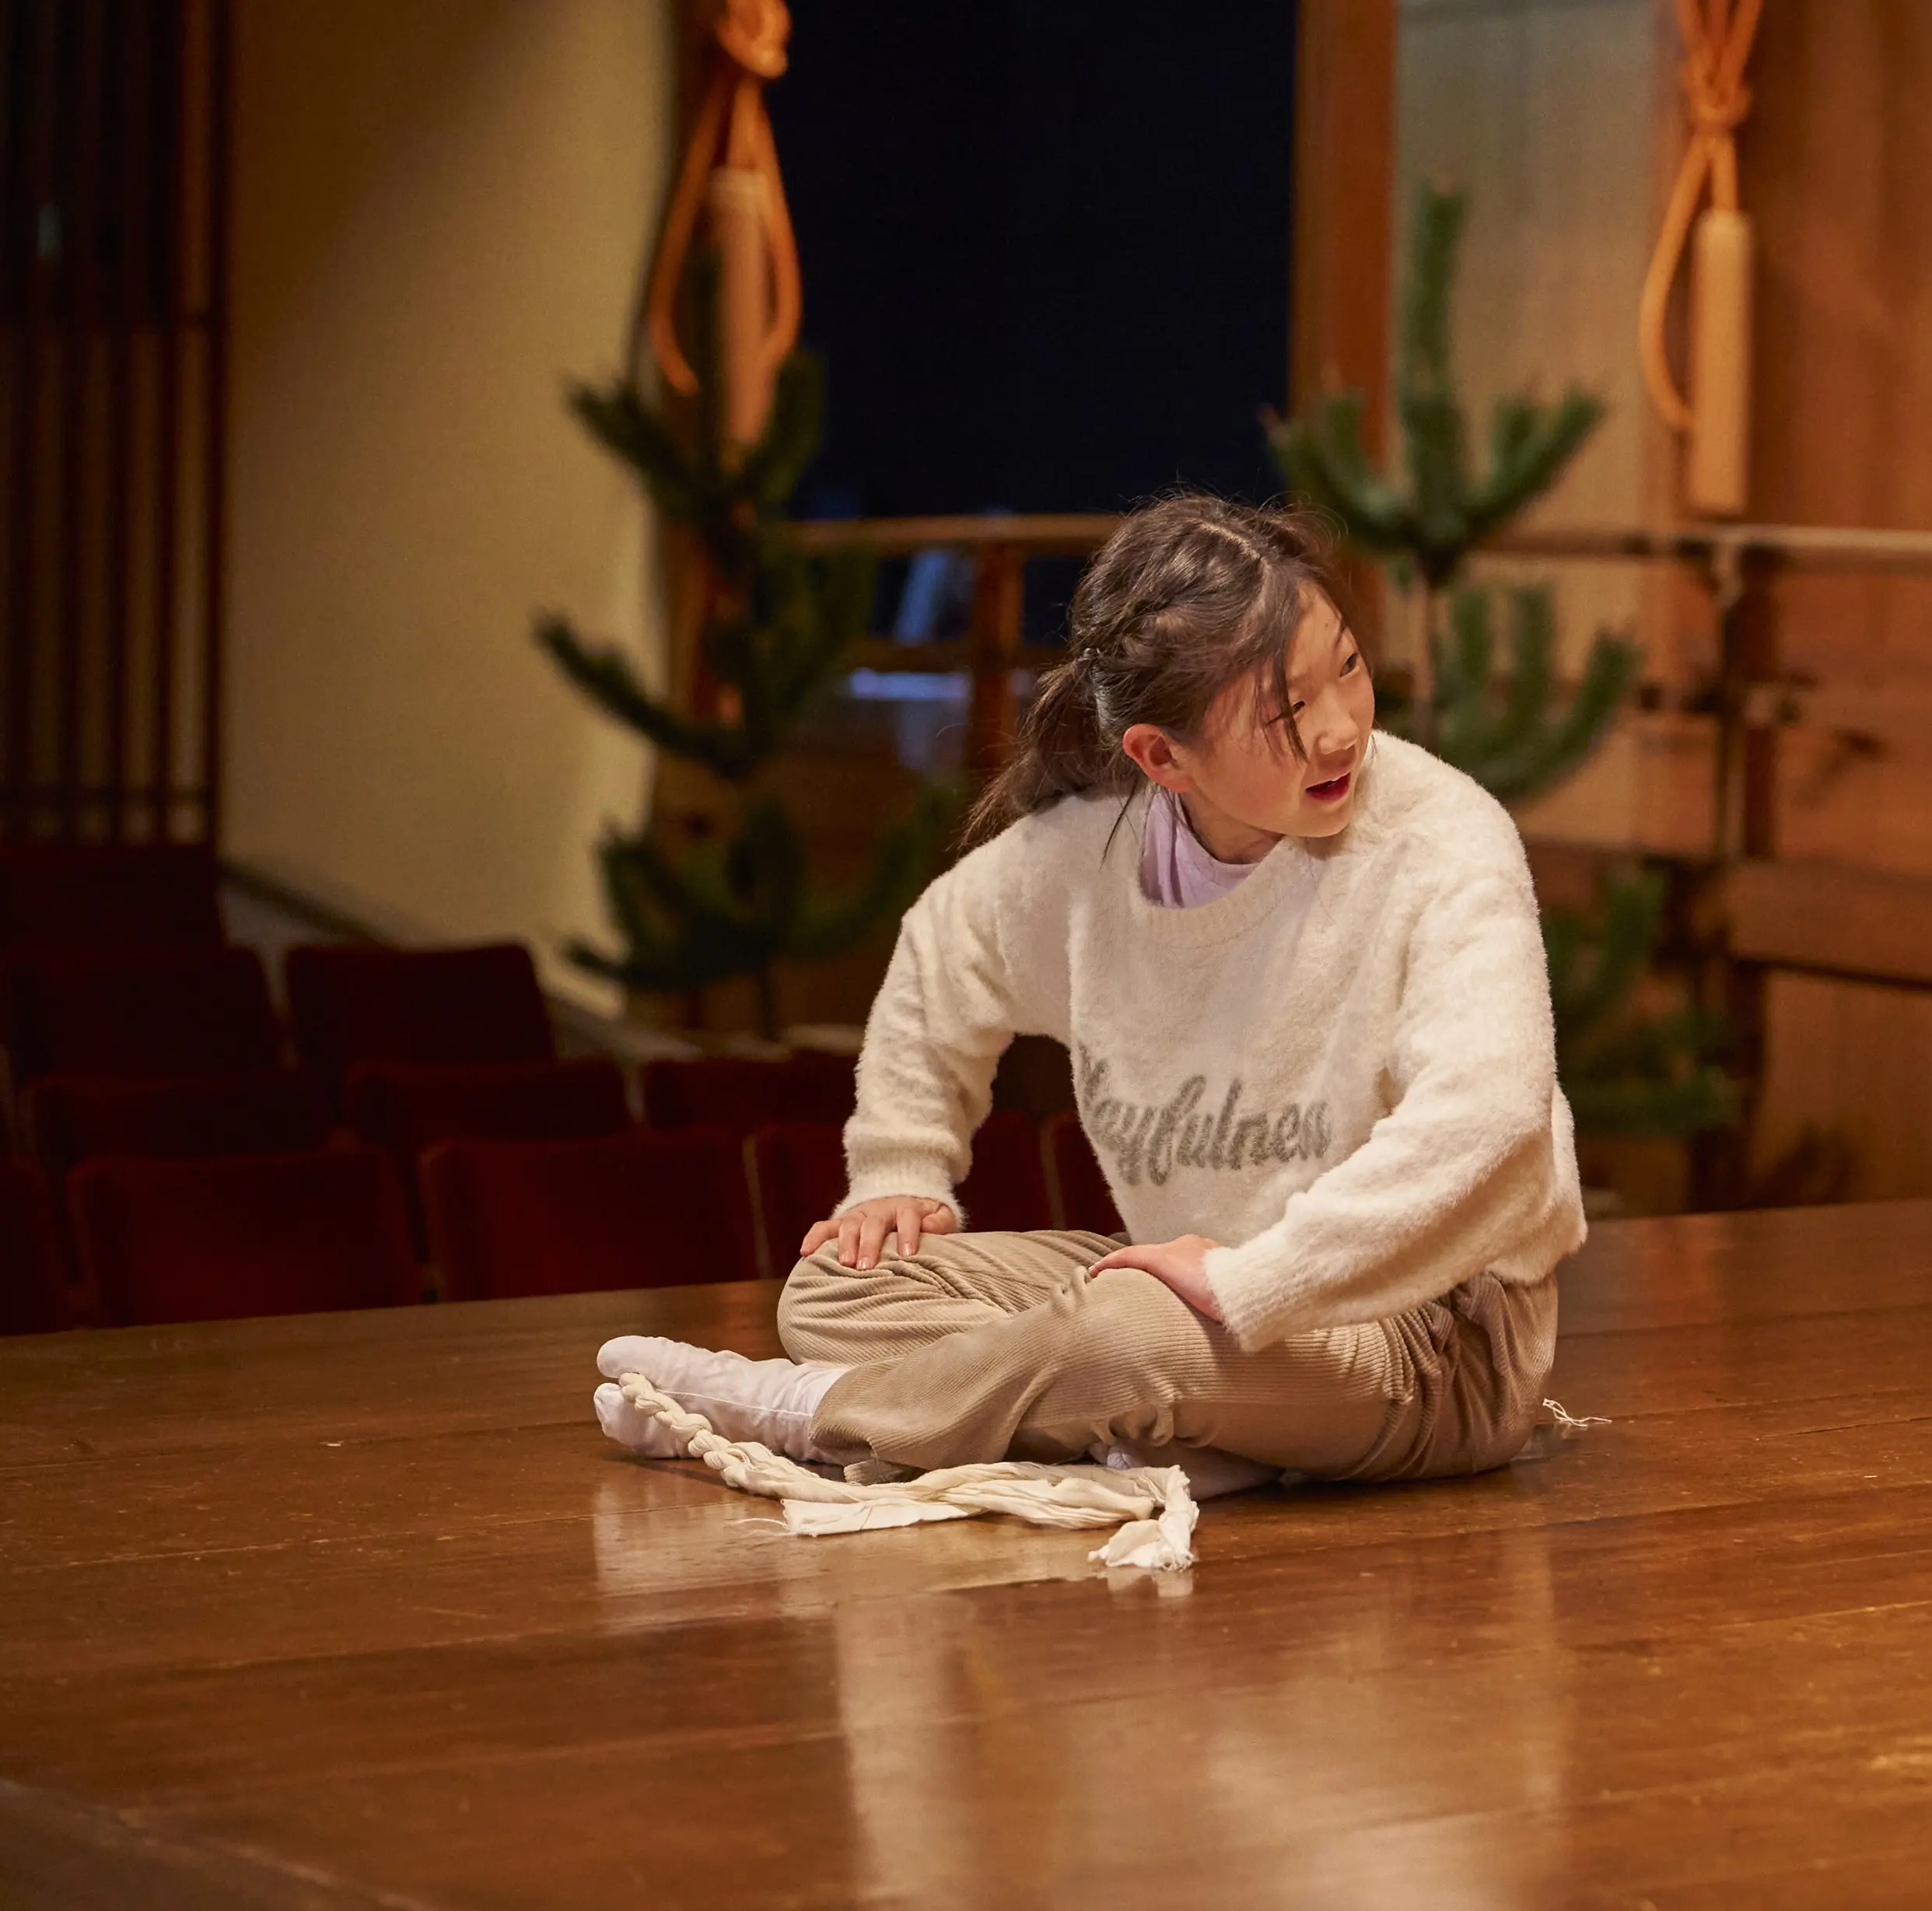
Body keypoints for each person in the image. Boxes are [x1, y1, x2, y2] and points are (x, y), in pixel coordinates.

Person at [593, 494, 1584, 1489]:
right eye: (1286, 711)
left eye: (1350, 667)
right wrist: (899, 1168)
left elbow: (1489, 1121)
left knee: (1122, 1334)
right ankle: (1176, 1434)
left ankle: (812, 1414)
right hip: (1203, 1292)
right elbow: (944, 947)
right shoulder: (1092, 860)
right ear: (1161, 756)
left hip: (1435, 1344)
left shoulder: (1440, 839)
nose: (1339, 732)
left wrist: (1251, 1279)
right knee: (838, 1290)